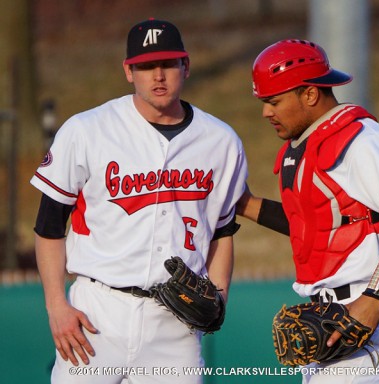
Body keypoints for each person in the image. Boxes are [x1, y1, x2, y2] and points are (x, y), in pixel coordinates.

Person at [31, 18, 247, 384]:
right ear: (129, 71)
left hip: (175, 321)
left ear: (186, 67)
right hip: (97, 313)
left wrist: (220, 295)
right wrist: (56, 305)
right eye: (146, 66)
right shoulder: (87, 129)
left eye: (168, 64)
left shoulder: (221, 141)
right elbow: (48, 226)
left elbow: (223, 230)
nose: (158, 75)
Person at [236, 39, 379, 383]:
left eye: (273, 101)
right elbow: (316, 224)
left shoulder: (362, 140)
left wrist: (373, 303)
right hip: (328, 315)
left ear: (310, 94)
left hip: (376, 309)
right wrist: (245, 205)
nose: (266, 112)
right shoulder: (305, 146)